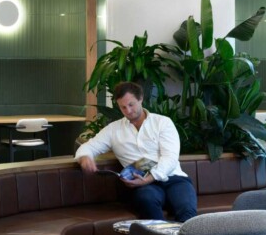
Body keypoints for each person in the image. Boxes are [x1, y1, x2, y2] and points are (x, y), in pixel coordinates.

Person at [75, 81, 197, 222]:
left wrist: (150, 177)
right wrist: (85, 157)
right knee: (146, 200)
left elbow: (170, 157)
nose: (128, 111)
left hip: (174, 179)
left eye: (131, 105)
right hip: (144, 186)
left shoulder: (163, 122)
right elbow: (88, 147)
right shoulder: (113, 130)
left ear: (141, 99)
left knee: (187, 209)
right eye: (123, 107)